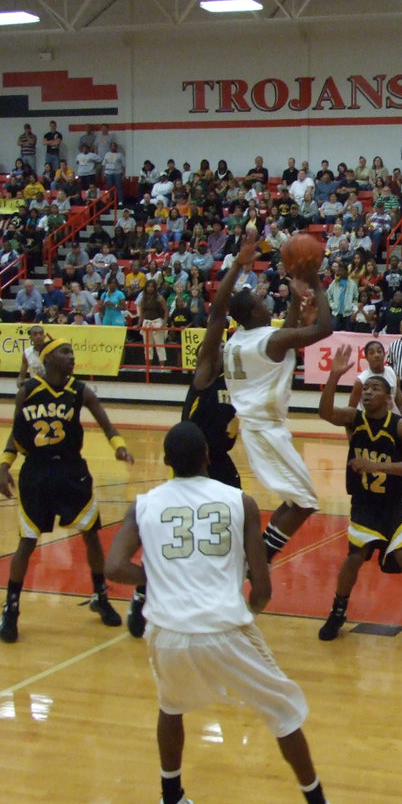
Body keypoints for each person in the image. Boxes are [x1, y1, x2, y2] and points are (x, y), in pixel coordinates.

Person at [104, 422, 344, 804]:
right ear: (208, 457)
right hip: (224, 628)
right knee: (283, 713)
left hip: (168, 632)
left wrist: (156, 579)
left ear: (165, 461)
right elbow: (262, 589)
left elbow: (114, 568)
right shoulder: (239, 502)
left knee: (170, 707)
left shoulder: (144, 505)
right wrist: (248, 613)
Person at [127, 234, 259, 639]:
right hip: (192, 466)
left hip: (220, 464)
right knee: (179, 532)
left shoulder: (242, 381)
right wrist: (237, 266)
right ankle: (144, 590)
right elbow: (218, 313)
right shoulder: (207, 371)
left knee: (233, 531)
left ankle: (223, 596)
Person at [0, 338, 135, 642]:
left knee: (91, 535)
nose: (72, 357)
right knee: (27, 542)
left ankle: (100, 595)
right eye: (65, 352)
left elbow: (106, 424)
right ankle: (11, 609)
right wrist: (4, 466)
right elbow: (16, 434)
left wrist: (119, 446)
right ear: (48, 359)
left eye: (72, 352)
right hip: (36, 472)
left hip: (71, 470)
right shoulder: (28, 391)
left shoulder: (80, 391)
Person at [316, 344, 402, 644]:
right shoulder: (354, 418)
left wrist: (375, 465)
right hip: (366, 502)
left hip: (399, 503)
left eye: (375, 389)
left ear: (388, 398)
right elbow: (325, 412)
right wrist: (334, 376)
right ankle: (338, 610)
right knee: (354, 557)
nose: (368, 392)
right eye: (366, 388)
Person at [223, 242, 333, 568]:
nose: (265, 302)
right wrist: (315, 283)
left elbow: (286, 334)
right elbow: (324, 328)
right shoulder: (268, 340)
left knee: (295, 500)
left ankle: (255, 557)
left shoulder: (239, 339)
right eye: (260, 302)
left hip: (260, 428)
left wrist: (297, 301)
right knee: (305, 502)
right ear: (254, 314)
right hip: (265, 430)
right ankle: (256, 561)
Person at [348, 337, 402, 532]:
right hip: (372, 433)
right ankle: (371, 515)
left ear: (384, 354)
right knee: (374, 478)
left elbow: (400, 403)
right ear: (366, 356)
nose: (376, 355)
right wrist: (353, 440)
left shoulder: (392, 374)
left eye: (379, 351)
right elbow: (350, 413)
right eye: (372, 352)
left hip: (393, 431)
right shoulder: (361, 380)